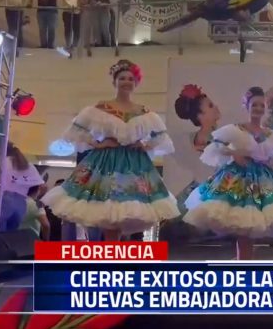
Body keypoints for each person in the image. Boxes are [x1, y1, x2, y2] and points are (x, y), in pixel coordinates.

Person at [41, 59, 180, 241]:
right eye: (122, 78)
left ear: (136, 83)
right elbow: (76, 130)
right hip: (106, 162)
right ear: (114, 81)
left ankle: (115, 259)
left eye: (130, 78)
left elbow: (161, 137)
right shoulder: (101, 108)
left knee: (125, 213)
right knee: (108, 213)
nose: (126, 82)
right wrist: (98, 144)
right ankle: (110, 258)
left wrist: (144, 145)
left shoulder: (144, 112)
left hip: (134, 164)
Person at [183, 87, 273, 260]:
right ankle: (242, 262)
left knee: (253, 222)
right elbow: (215, 147)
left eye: (262, 105)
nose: (258, 109)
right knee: (242, 222)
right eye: (254, 105)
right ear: (246, 106)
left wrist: (270, 160)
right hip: (238, 178)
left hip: (262, 180)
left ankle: (245, 262)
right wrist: (234, 154)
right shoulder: (235, 129)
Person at [173, 84, 221, 208]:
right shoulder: (202, 138)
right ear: (200, 116)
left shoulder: (220, 136)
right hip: (205, 191)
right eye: (210, 106)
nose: (216, 107)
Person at [0, 142, 45, 231]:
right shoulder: (27, 164)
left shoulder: (0, 162)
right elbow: (42, 186)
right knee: (10, 236)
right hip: (21, 203)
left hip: (2, 200)